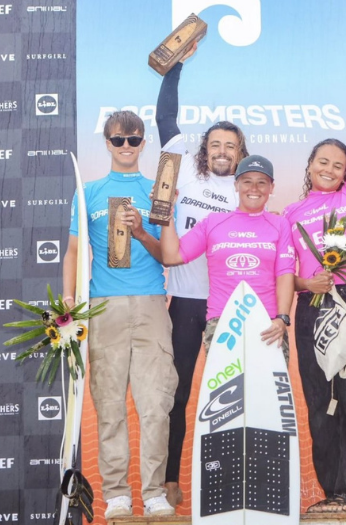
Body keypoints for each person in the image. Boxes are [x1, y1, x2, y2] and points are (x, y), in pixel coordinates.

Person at [281, 50, 346, 514]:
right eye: (322, 161)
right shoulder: (290, 214)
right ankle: (328, 494)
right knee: (319, 401)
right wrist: (308, 284)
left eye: (338, 164)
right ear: (309, 166)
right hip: (312, 309)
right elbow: (286, 274)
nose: (329, 168)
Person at [62, 110, 178, 518]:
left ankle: (154, 492)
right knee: (109, 404)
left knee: (156, 404)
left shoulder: (158, 192)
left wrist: (142, 230)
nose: (126, 146)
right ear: (107, 143)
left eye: (133, 139)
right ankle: (116, 493)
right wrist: (68, 303)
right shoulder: (88, 192)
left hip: (151, 304)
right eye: (118, 140)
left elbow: (168, 255)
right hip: (103, 307)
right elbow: (74, 252)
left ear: (143, 143)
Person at [153, 43, 248, 507]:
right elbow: (164, 119)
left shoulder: (247, 192)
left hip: (231, 306)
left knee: (234, 395)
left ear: (241, 153)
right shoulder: (185, 175)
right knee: (178, 393)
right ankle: (171, 478)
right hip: (187, 303)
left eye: (231, 146)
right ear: (204, 150)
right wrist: (174, 68)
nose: (222, 152)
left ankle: (234, 482)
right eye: (215, 145)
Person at [160, 155, 295, 362]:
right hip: (223, 323)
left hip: (268, 324)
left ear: (271, 187)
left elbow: (285, 273)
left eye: (261, 182)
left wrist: (282, 318)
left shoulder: (280, 224)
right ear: (236, 185)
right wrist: (167, 214)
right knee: (227, 385)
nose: (254, 188)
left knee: (266, 385)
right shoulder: (213, 222)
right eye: (247, 181)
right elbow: (171, 256)